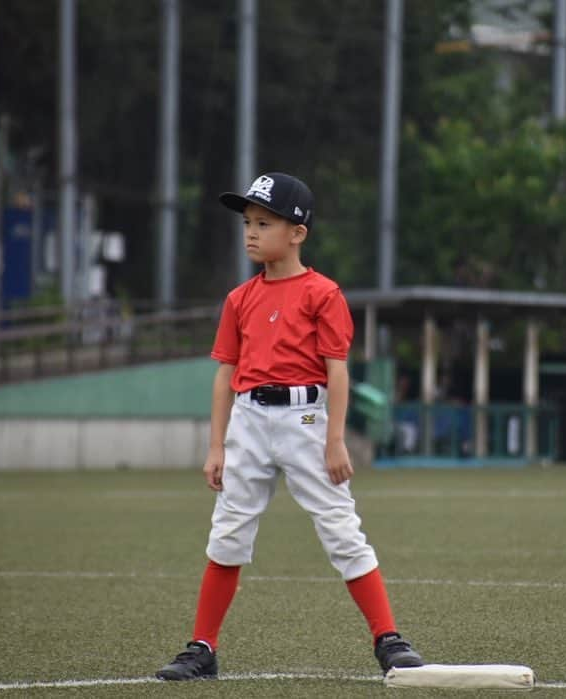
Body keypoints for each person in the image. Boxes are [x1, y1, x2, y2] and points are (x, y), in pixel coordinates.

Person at [156, 173, 424, 681]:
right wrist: (216, 445)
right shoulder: (239, 299)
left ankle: (388, 639)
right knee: (228, 533)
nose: (251, 233)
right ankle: (202, 647)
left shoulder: (323, 293)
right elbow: (225, 376)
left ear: (298, 232)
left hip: (306, 417)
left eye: (264, 223)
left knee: (341, 530)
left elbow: (337, 371)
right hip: (250, 421)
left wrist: (335, 438)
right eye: (247, 223)